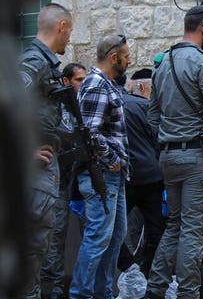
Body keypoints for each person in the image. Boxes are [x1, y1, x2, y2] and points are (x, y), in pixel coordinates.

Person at [146, 5, 203, 299]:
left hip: (168, 157)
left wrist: (168, 140)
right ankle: (188, 295)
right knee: (194, 232)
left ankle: (154, 291)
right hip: (197, 159)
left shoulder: (163, 62)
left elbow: (152, 116)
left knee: (175, 227)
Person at [18, 2, 73, 299]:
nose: (69, 40)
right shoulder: (34, 62)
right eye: (70, 32)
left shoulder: (43, 62)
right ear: (62, 27)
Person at [71, 33, 131, 298]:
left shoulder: (105, 83)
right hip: (103, 174)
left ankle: (102, 293)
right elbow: (89, 133)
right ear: (113, 57)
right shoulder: (96, 84)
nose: (129, 62)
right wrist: (114, 160)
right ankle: (81, 294)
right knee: (98, 238)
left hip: (112, 175)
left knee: (115, 237)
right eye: (126, 57)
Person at [40, 63, 86, 299]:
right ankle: (54, 289)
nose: (82, 84)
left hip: (77, 180)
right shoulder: (57, 106)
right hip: (57, 180)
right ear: (66, 81)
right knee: (54, 237)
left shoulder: (81, 105)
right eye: (78, 79)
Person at [116, 68, 166, 277]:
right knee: (157, 229)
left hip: (126, 178)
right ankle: (146, 270)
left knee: (114, 230)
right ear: (144, 87)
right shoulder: (148, 108)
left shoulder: (117, 105)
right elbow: (160, 140)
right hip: (153, 178)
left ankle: (129, 266)